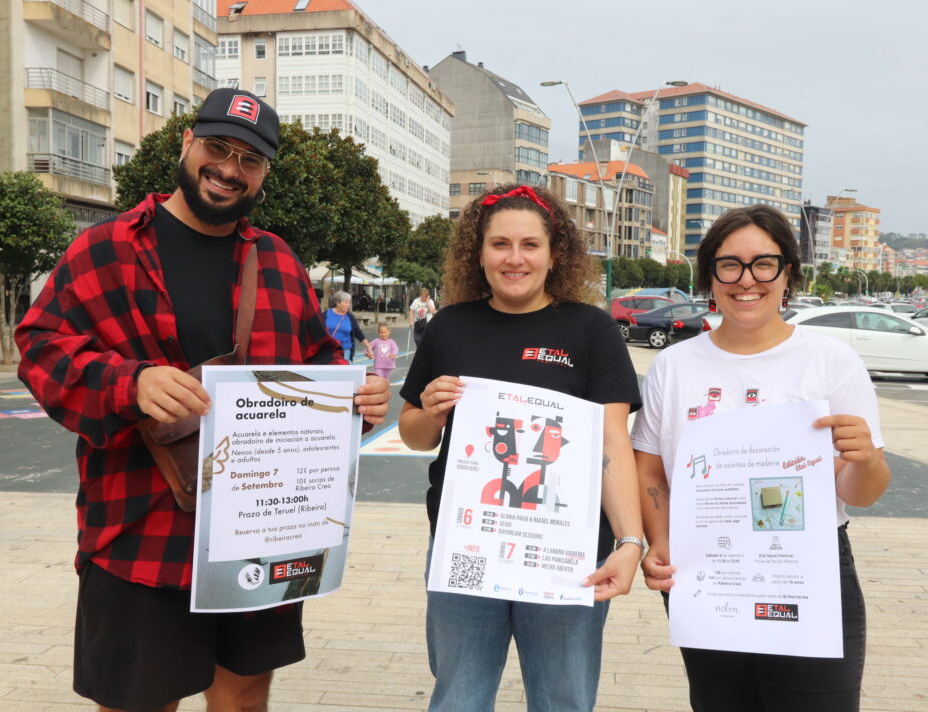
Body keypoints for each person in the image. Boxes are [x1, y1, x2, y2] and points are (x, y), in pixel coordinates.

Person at [14, 87, 390, 712]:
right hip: (140, 527)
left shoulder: (277, 260)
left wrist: (356, 397)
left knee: (244, 697)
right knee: (137, 701)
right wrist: (128, 383)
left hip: (262, 525)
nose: (230, 169)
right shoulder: (105, 248)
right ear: (188, 144)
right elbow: (40, 348)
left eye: (251, 159)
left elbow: (319, 360)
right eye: (218, 147)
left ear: (263, 173)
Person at [629, 204, 890, 712]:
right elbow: (649, 467)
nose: (746, 280)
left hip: (808, 570)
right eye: (730, 265)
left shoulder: (830, 361)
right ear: (710, 276)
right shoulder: (673, 366)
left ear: (787, 272)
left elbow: (862, 494)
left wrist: (865, 461)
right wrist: (658, 540)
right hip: (708, 570)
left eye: (763, 264)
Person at [398, 184, 644, 712]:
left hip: (566, 551)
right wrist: (430, 411)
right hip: (467, 546)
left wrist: (630, 541)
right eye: (500, 244)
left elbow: (611, 442)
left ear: (555, 255)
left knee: (563, 700)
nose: (515, 258)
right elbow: (416, 435)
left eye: (530, 244)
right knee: (459, 697)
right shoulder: (450, 325)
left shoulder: (592, 330)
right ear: (478, 253)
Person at [324, 290, 373, 363]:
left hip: (345, 351)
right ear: (338, 303)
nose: (349, 305)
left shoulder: (350, 317)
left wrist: (368, 346)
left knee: (343, 369)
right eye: (346, 302)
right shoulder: (326, 314)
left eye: (349, 302)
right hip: (328, 350)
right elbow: (317, 330)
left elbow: (358, 333)